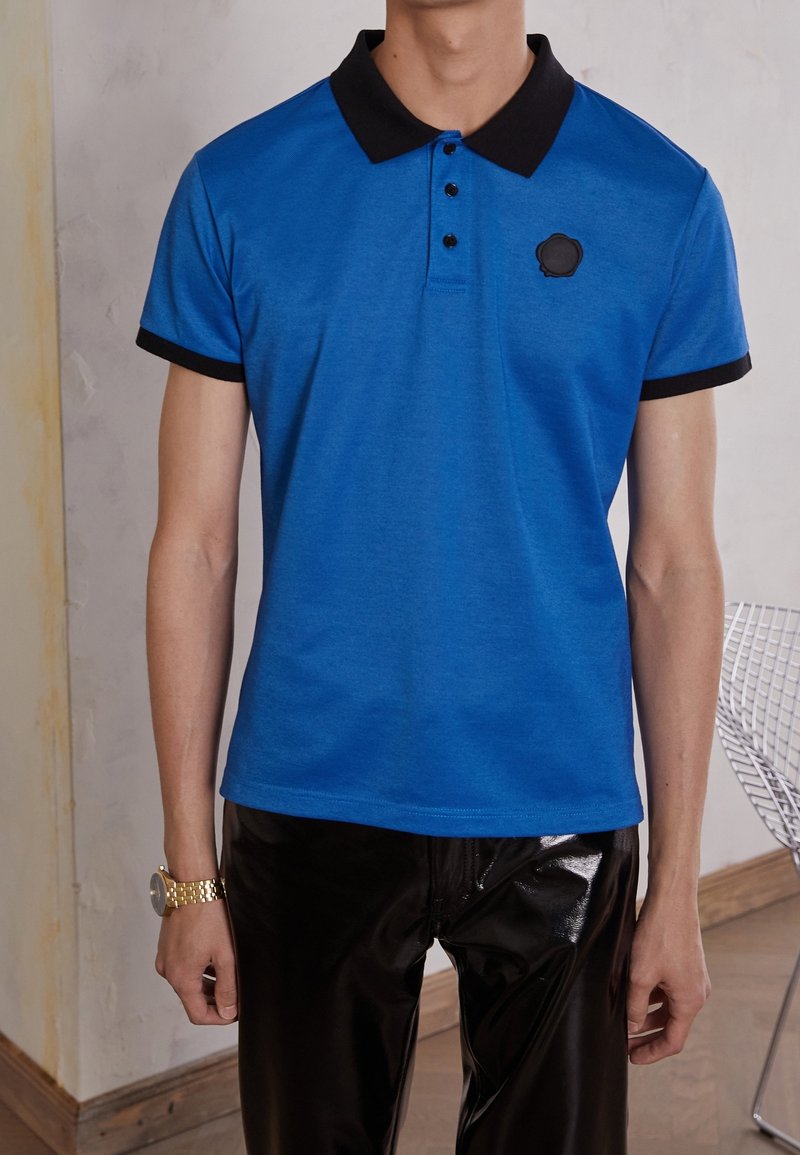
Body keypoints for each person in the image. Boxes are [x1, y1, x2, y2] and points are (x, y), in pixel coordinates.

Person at [138, 1, 751, 1151]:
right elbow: (195, 543)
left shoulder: (660, 197)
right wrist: (188, 875)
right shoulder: (237, 187)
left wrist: (674, 885)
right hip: (307, 789)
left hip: (561, 802)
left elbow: (672, 561)